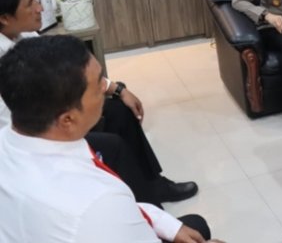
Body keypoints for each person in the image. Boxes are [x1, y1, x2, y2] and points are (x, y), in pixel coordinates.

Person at [0, 0, 197, 205]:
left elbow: (67, 71)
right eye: (31, 3)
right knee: (113, 146)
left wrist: (117, 89)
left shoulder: (24, 34)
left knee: (120, 111)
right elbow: (17, 124)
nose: (40, 8)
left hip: (54, 113)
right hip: (36, 138)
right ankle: (145, 211)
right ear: (5, 17)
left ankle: (153, 184)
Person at [0, 35, 219, 243]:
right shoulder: (99, 202)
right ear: (68, 119)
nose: (105, 91)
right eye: (98, 87)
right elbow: (102, 213)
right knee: (198, 226)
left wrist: (165, 223)